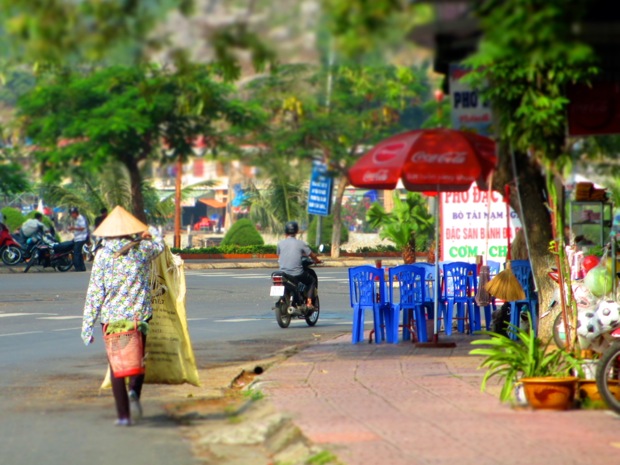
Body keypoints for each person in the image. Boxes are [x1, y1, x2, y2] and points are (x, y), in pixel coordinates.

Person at [81, 205, 164, 426]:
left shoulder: (102, 256)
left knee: (117, 366)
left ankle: (124, 417)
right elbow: (161, 245)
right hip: (139, 318)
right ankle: (135, 392)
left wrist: (87, 326)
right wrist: (151, 233)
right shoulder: (143, 250)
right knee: (137, 359)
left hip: (112, 319)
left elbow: (95, 292)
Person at [276, 221, 321, 307]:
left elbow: (279, 255)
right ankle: (309, 302)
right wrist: (317, 260)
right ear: (296, 232)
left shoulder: (280, 243)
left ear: (285, 232)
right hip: (297, 273)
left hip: (283, 273)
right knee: (312, 280)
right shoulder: (301, 243)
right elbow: (311, 255)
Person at [68, 207, 89, 272]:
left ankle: (77, 268)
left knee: (76, 253)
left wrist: (73, 228)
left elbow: (82, 228)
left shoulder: (80, 218)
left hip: (81, 238)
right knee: (79, 253)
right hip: (77, 238)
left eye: (72, 214)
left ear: (75, 213)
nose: (72, 215)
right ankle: (82, 268)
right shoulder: (77, 219)